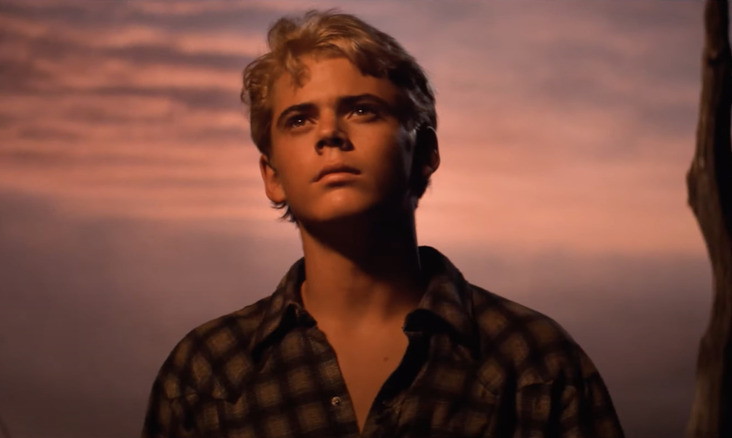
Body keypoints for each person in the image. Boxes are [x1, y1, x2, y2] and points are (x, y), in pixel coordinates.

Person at [142, 10, 624, 438]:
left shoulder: (534, 362)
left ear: (425, 152)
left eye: (362, 110)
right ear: (273, 177)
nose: (330, 133)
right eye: (299, 120)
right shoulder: (207, 375)